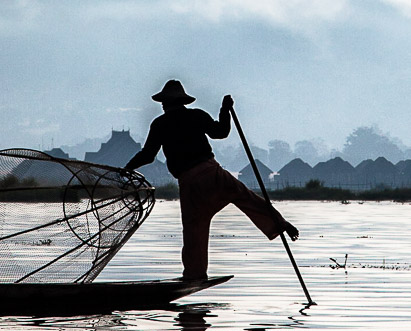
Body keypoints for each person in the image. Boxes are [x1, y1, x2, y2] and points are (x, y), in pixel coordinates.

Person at [124, 79, 299, 281]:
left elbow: (148, 155)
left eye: (164, 102)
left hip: (190, 183)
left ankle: (194, 274)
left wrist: (127, 168)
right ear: (182, 102)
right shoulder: (197, 115)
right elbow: (221, 132)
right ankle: (280, 223)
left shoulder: (160, 124)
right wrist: (224, 111)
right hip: (212, 173)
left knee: (193, 231)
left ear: (166, 103)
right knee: (246, 197)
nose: (163, 105)